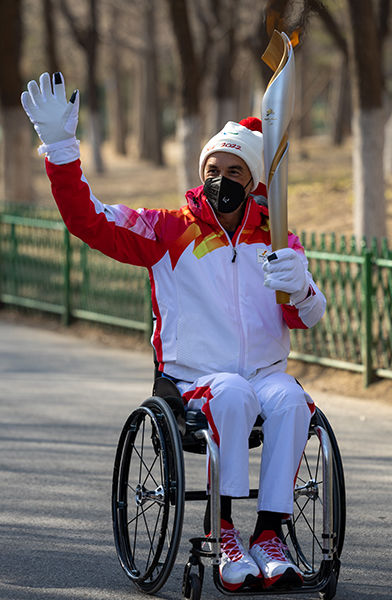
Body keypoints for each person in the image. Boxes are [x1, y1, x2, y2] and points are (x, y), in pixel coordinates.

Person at [21, 72, 326, 592]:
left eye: (234, 171)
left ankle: (269, 534)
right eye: (213, 169)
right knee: (230, 392)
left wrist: (301, 287)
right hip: (195, 379)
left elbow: (308, 316)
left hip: (265, 373)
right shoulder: (166, 230)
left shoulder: (277, 238)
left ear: (254, 180)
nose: (221, 179)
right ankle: (223, 531)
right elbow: (88, 220)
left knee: (293, 399)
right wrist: (61, 150)